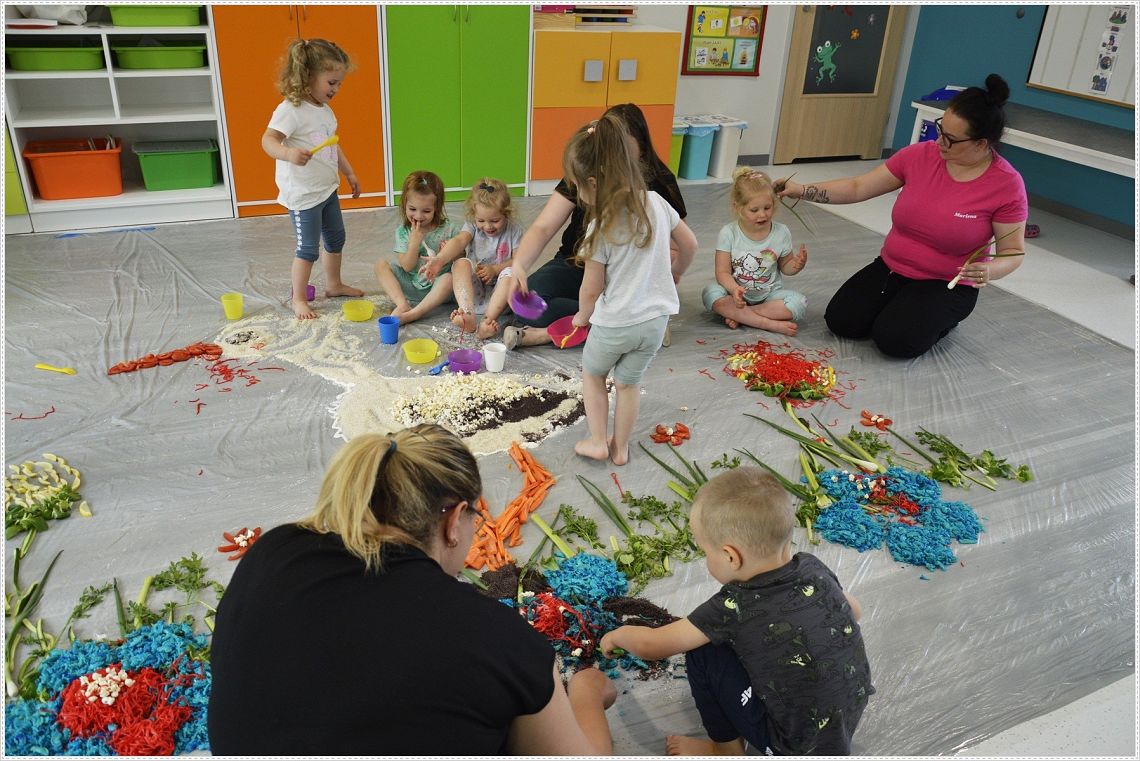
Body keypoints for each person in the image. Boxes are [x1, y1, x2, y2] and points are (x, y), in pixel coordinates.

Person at [208, 424, 617, 755]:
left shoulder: (272, 552)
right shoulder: (496, 639)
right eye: (475, 518)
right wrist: (586, 691)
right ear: (454, 521)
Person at [599, 467, 873, 756]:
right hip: (848, 714)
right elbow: (854, 610)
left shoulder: (733, 605)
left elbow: (652, 646)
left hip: (792, 745)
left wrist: (618, 636)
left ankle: (725, 750)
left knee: (704, 652)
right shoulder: (813, 567)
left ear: (731, 556)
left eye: (706, 551)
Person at [778, 73, 1027, 358]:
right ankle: (903, 305)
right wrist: (801, 190)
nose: (939, 141)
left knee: (895, 341)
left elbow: (1013, 253)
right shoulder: (920, 155)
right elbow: (858, 187)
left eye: (950, 139)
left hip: (946, 283)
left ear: (981, 144)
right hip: (892, 268)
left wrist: (990, 271)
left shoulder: (1006, 184)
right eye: (940, 129)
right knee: (842, 321)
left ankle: (942, 317)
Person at [563, 114, 697, 466]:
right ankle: (620, 449)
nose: (578, 193)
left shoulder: (599, 226)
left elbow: (591, 288)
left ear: (593, 183)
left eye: (577, 186)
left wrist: (581, 317)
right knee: (628, 384)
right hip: (655, 323)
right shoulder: (657, 202)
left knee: (593, 374)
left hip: (615, 324)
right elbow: (691, 245)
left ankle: (597, 441)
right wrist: (676, 271)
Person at [505, 103, 688, 350]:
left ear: (642, 149)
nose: (616, 156)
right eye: (611, 146)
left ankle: (554, 332)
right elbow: (544, 226)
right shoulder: (587, 166)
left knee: (603, 305)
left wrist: (662, 276)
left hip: (624, 277)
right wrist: (519, 265)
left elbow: (677, 248)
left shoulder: (657, 187)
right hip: (577, 265)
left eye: (623, 148)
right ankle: (633, 323)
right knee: (530, 303)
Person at [261, 38, 364, 320]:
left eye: (339, 83)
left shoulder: (325, 110)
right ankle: (298, 299)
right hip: (303, 195)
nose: (336, 89)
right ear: (308, 76)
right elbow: (267, 140)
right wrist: (288, 153)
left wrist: (349, 172)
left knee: (336, 238)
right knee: (307, 248)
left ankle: (333, 284)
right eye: (331, 82)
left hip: (326, 189)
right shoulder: (290, 110)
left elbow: (332, 144)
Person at [703, 167, 808, 336]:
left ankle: (741, 316)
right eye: (754, 210)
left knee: (799, 302)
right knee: (710, 293)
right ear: (738, 207)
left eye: (767, 208)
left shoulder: (781, 232)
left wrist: (796, 265)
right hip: (735, 295)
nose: (762, 215)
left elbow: (786, 266)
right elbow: (722, 272)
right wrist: (734, 289)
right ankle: (768, 323)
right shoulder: (728, 233)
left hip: (770, 296)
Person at [433, 177, 525, 339]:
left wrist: (495, 269)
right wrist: (440, 258)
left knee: (512, 273)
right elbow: (460, 240)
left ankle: (486, 323)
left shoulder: (514, 231)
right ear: (474, 215)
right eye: (481, 220)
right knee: (460, 263)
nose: (488, 226)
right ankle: (468, 315)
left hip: (500, 299)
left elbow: (519, 261)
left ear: (507, 213)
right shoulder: (472, 225)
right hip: (474, 295)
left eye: (495, 220)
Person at [374, 171, 462, 326]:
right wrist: (414, 243)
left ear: (437, 208)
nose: (418, 216)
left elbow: (461, 262)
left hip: (439, 289)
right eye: (412, 209)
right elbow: (407, 267)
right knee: (380, 265)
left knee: (449, 278)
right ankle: (402, 304)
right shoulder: (403, 232)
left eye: (426, 211)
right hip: (411, 286)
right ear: (404, 205)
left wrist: (452, 253)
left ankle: (416, 313)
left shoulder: (450, 229)